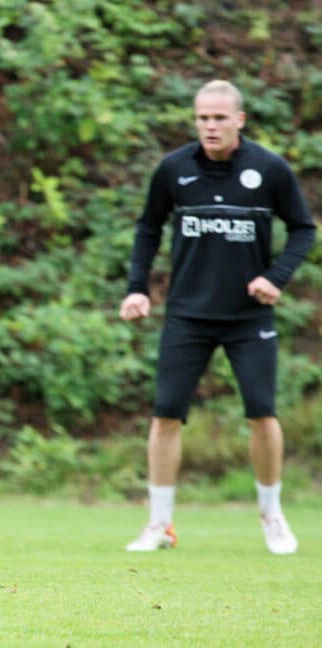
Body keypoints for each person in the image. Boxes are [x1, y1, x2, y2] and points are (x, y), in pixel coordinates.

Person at [120, 79, 314, 555]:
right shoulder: (174, 169)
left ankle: (271, 515)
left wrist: (277, 277)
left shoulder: (269, 170)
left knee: (261, 412)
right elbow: (148, 229)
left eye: (219, 117)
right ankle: (159, 525)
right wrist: (137, 289)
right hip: (187, 314)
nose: (210, 125)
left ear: (239, 121)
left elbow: (303, 231)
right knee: (166, 414)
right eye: (203, 117)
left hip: (249, 317)